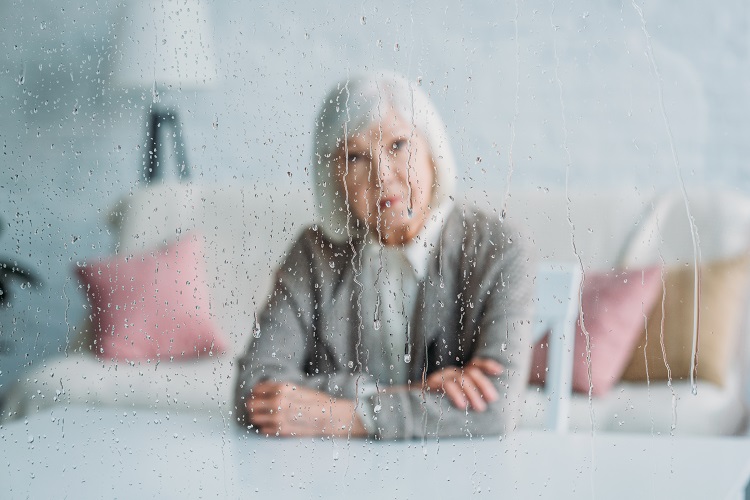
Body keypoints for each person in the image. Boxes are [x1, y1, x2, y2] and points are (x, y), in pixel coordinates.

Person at [233, 73, 534, 439]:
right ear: (335, 177)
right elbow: (254, 388)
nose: (382, 175)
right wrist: (410, 399)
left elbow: (496, 410)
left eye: (398, 145)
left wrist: (336, 415)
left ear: (432, 150)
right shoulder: (314, 252)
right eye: (356, 156)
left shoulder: (497, 248)